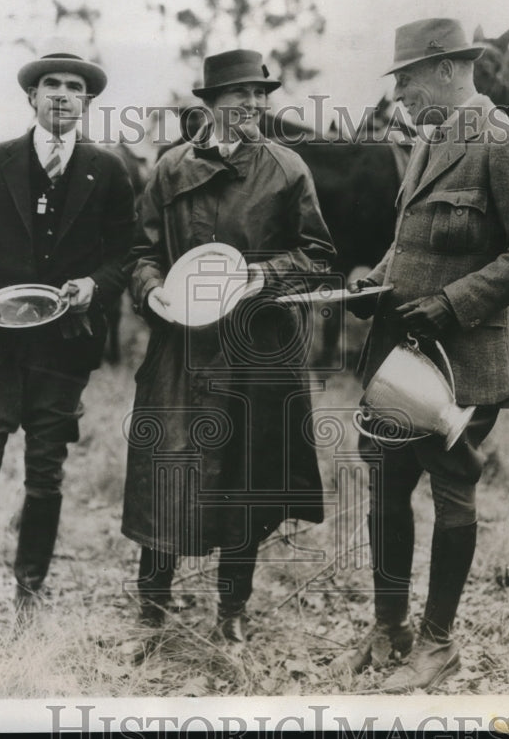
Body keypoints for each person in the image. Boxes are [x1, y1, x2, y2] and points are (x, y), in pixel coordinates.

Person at [335, 18, 509, 691]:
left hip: (462, 359)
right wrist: (371, 279)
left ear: (445, 69)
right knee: (386, 487)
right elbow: (412, 244)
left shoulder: (502, 143)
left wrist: (455, 302)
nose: (398, 92)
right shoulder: (430, 143)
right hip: (400, 357)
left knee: (452, 488)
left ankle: (438, 644)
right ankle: (389, 628)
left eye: (405, 78)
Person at [121, 49, 336, 657]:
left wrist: (258, 278)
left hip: (256, 352)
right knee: (167, 473)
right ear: (210, 105)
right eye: (239, 94)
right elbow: (139, 252)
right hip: (180, 352)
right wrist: (151, 288)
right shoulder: (168, 170)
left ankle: (231, 613)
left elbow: (318, 257)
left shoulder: (287, 169)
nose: (253, 105)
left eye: (261, 94)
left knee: (248, 478)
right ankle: (150, 614)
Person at [0, 42, 136, 640]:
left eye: (76, 88)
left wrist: (93, 286)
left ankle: (30, 597)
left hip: (64, 349)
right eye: (52, 85)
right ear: (32, 97)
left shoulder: (109, 172)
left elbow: (126, 254)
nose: (63, 95)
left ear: (87, 103)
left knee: (46, 476)